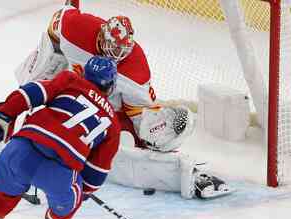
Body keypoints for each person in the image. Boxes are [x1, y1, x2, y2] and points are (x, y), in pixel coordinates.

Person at [15, 1, 232, 199]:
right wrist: (50, 65)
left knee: (118, 149)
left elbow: (139, 113)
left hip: (108, 113)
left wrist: (150, 133)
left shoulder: (135, 68)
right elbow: (56, 25)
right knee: (37, 99)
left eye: (122, 50)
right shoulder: (75, 26)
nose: (116, 53)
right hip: (70, 101)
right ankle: (30, 148)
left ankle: (183, 173)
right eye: (113, 47)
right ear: (101, 36)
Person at [0, 56, 120, 219]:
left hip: (22, 148)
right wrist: (83, 193)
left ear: (85, 73)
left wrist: (5, 115)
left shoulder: (70, 79)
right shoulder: (113, 124)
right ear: (111, 85)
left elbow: (32, 92)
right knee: (71, 199)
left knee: (2, 194)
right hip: (59, 170)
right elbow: (97, 170)